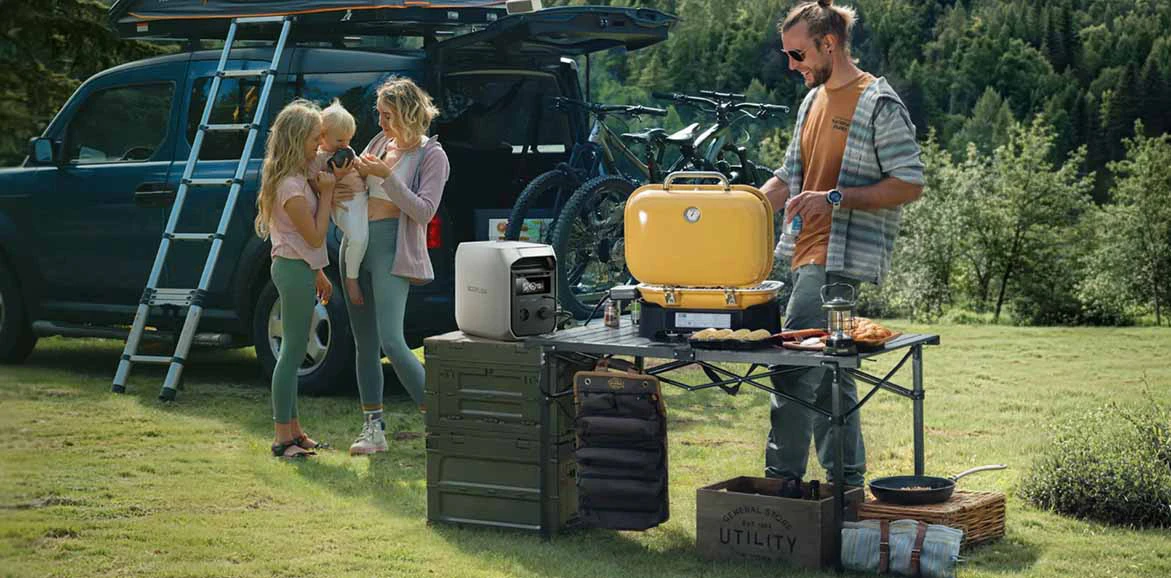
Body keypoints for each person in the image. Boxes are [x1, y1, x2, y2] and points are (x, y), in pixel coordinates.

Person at [760, 0, 925, 486]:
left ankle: (781, 484)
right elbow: (788, 178)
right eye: (788, 55)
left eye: (798, 54)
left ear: (828, 44)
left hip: (839, 258)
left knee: (792, 368)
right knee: (833, 374)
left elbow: (909, 183)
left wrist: (833, 198)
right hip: (804, 255)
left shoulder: (878, 103)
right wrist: (739, 208)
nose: (792, 65)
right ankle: (847, 486)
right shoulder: (812, 101)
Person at [343, 77, 450, 455]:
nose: (381, 122)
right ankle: (373, 429)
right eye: (379, 114)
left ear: (408, 113)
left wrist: (386, 176)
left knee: (391, 339)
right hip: (355, 246)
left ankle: (440, 420)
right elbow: (355, 187)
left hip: (392, 248)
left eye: (387, 115)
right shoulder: (378, 143)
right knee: (364, 343)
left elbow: (424, 211)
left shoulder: (432, 155)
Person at [254, 99, 337, 459]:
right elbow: (315, 237)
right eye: (314, 137)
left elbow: (301, 242)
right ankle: (281, 438)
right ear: (296, 139)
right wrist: (328, 193)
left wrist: (318, 271)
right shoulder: (291, 187)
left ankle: (295, 431)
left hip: (300, 268)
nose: (319, 144)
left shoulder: (298, 177)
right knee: (291, 353)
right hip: (291, 270)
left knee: (295, 348)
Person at [313, 100, 369, 305]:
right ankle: (351, 278)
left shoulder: (346, 149)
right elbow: (318, 186)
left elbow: (360, 166)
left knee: (365, 237)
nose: (345, 145)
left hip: (362, 198)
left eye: (349, 140)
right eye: (339, 140)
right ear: (322, 137)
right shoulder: (319, 158)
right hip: (344, 204)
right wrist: (337, 176)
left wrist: (365, 168)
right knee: (358, 238)